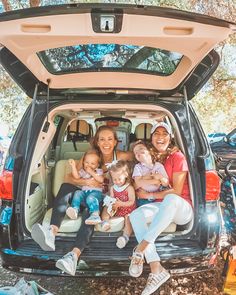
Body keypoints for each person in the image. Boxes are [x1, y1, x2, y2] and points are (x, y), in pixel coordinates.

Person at [31, 125, 133, 276]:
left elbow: (140, 155)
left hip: (101, 199)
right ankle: (51, 233)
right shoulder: (89, 156)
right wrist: (88, 183)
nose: (106, 143)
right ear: (96, 142)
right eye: (102, 139)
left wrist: (139, 146)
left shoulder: (123, 156)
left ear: (116, 141)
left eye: (110, 139)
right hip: (84, 193)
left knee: (89, 214)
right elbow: (70, 178)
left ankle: (73, 256)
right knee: (66, 187)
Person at [128, 122, 193, 295]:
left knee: (171, 198)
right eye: (156, 133)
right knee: (135, 215)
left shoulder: (178, 157)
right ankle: (157, 269)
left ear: (170, 137)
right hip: (163, 206)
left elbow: (177, 191)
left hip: (181, 207)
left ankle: (140, 249)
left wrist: (148, 196)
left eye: (165, 133)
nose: (161, 136)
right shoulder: (155, 158)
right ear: (152, 138)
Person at [101, 160, 136, 248]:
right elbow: (112, 198)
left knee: (129, 219)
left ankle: (125, 237)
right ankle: (105, 222)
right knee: (105, 209)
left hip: (128, 209)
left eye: (119, 179)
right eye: (114, 179)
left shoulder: (129, 188)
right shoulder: (113, 188)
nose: (117, 181)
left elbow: (132, 201)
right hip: (117, 208)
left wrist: (121, 203)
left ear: (126, 175)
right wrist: (111, 204)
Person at [65, 150, 104, 225]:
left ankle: (95, 215)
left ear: (97, 165)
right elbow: (76, 176)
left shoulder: (98, 171)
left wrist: (91, 172)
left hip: (96, 193)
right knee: (77, 193)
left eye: (92, 163)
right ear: (83, 162)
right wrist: (73, 166)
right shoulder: (83, 171)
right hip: (84, 193)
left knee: (91, 198)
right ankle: (75, 210)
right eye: (87, 162)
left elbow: (101, 180)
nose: (89, 165)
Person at [132, 140, 170, 207]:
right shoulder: (138, 167)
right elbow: (138, 182)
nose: (138, 152)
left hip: (158, 195)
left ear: (149, 151)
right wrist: (155, 181)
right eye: (135, 152)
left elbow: (166, 183)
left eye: (141, 149)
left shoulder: (159, 166)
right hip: (143, 198)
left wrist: (161, 177)